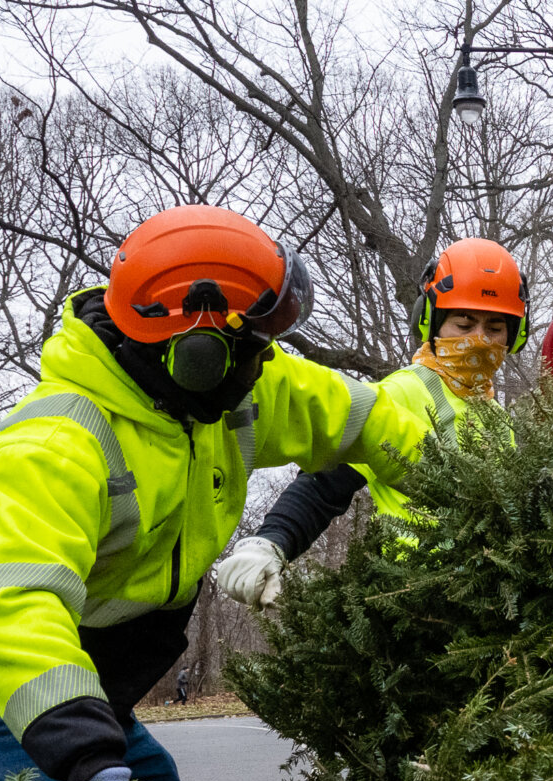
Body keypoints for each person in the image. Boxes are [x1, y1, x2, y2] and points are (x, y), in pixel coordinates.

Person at [0, 205, 433, 781]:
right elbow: (18, 609)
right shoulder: (56, 443)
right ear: (196, 351)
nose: (266, 362)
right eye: (253, 345)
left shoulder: (228, 392)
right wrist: (93, 765)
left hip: (88, 678)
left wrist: (465, 481)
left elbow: (363, 416)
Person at [213, 236, 529, 608]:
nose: (478, 340)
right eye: (464, 323)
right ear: (432, 322)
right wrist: (271, 542)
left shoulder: (495, 416)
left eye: (494, 328)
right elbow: (325, 484)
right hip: (419, 598)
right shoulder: (403, 393)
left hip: (490, 602)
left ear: (514, 334)